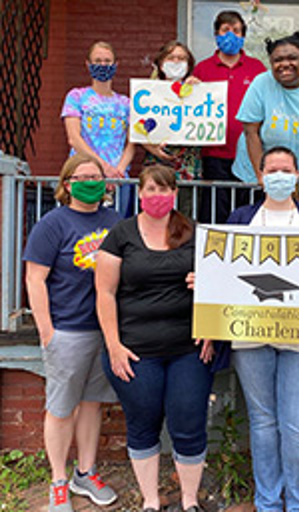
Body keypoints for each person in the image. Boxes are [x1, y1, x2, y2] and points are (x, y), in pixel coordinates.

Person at [213, 146, 299, 512]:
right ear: (259, 177)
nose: (278, 175)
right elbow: (223, 269)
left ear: (296, 176)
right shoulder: (240, 218)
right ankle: (268, 502)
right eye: (271, 169)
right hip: (250, 335)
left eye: (285, 169)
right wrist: (205, 280)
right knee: (263, 422)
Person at [95, 165, 214, 512]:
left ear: (175, 193)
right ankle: (150, 501)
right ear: (140, 193)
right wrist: (113, 346)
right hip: (134, 350)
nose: (158, 196)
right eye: (151, 189)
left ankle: (189, 501)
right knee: (143, 421)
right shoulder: (121, 234)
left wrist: (209, 326)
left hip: (189, 349)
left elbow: (222, 283)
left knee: (188, 421)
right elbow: (104, 292)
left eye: (164, 190)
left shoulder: (194, 233)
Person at [24, 153, 120, 512]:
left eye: (96, 176)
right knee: (61, 408)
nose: (90, 181)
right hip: (67, 330)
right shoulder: (52, 224)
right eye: (82, 176)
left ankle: (85, 472)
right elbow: (35, 279)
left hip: (104, 330)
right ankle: (58, 482)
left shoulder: (114, 221)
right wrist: (47, 330)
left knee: (93, 403)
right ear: (67, 184)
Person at [232, 32, 299, 192]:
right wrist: (260, 175)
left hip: (292, 175)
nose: (285, 64)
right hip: (253, 176)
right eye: (278, 60)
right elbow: (251, 133)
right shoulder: (260, 83)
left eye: (292, 58)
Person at [194, 10, 266, 223]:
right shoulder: (202, 69)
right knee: (215, 213)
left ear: (243, 36)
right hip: (214, 154)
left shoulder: (257, 68)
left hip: (249, 154)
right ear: (216, 34)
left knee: (247, 213)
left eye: (236, 31)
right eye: (226, 30)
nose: (231, 35)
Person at [61, 41, 135, 216]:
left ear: (116, 65)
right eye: (98, 60)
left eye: (107, 61)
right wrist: (102, 170)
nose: (103, 65)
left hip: (118, 180)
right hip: (83, 176)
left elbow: (132, 142)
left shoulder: (126, 103)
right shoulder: (76, 96)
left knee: (117, 228)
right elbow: (74, 138)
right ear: (88, 64)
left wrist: (118, 172)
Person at [142, 41, 202, 218]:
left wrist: (200, 90)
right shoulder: (146, 92)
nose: (176, 62)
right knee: (154, 214)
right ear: (161, 63)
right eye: (171, 57)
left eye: (182, 58)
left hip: (188, 168)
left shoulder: (196, 90)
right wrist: (152, 148)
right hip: (156, 164)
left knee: (185, 218)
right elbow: (137, 128)